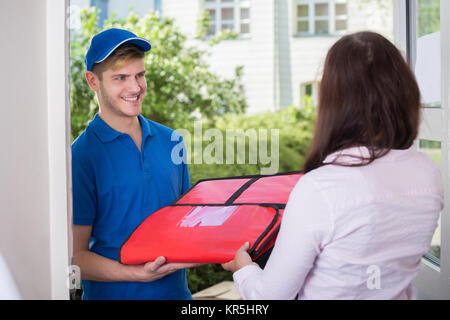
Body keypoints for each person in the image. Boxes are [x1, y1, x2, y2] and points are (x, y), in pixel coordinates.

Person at [222, 31, 444, 300]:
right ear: (405, 92)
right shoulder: (428, 173)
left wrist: (244, 268)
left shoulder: (320, 189)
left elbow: (270, 297)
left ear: (332, 101)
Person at [72, 28, 197, 300]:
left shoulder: (171, 140)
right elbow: (75, 257)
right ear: (93, 81)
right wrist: (138, 273)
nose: (135, 87)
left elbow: (185, 222)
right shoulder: (81, 156)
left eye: (139, 75)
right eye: (121, 78)